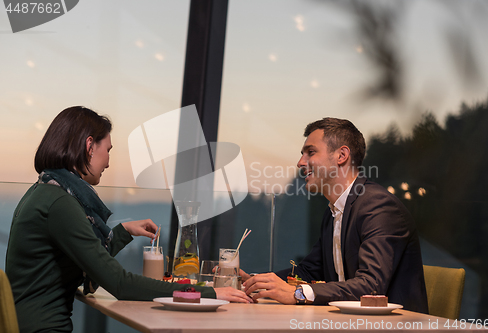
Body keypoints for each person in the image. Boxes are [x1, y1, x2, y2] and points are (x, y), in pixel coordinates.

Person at [5, 106, 252, 333]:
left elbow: (85, 257)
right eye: (108, 150)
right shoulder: (60, 203)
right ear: (89, 146)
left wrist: (122, 231)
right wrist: (208, 292)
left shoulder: (45, 190)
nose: (109, 162)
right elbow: (119, 283)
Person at [243, 117, 428, 313]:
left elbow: (371, 287)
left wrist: (299, 294)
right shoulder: (333, 211)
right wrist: (257, 281)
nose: (300, 163)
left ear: (341, 155)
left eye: (311, 152)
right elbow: (309, 270)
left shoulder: (378, 206)